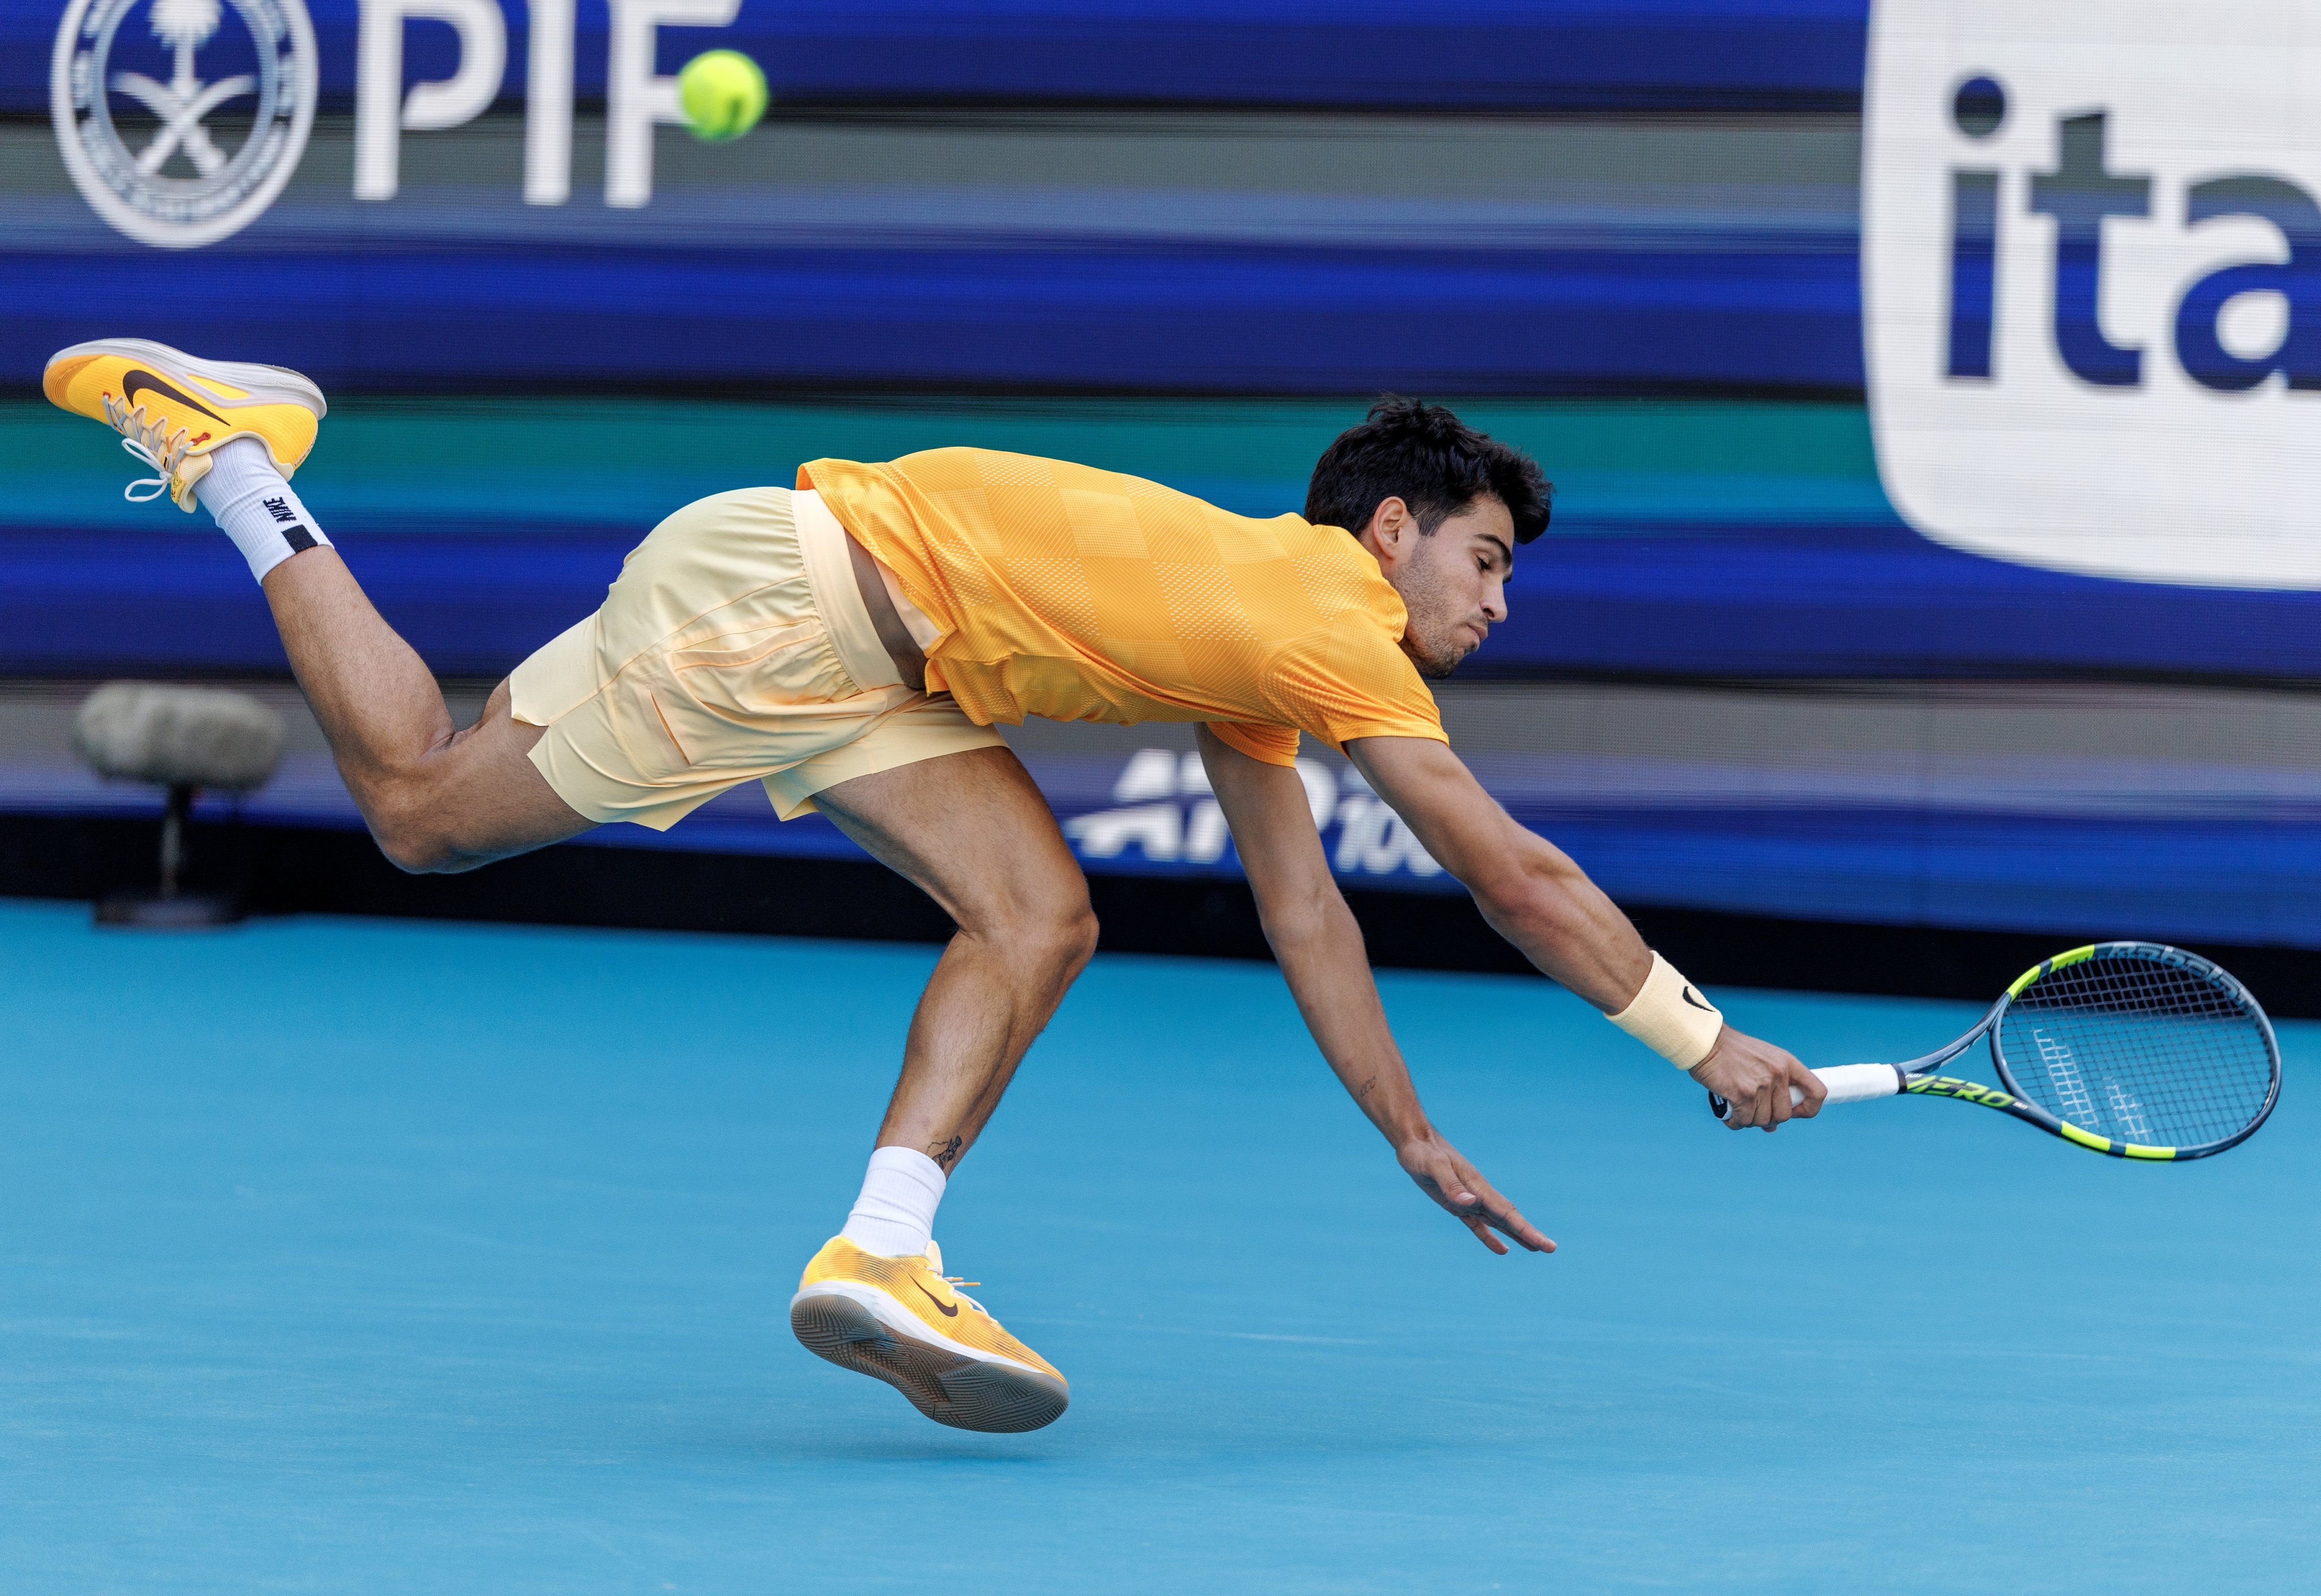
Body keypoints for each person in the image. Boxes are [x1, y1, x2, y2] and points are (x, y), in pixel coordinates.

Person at [44, 338, 1825, 1434]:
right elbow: (1510, 875)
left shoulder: (1267, 641)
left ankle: (884, 1253)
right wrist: (1702, 1038)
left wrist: (1409, 1133)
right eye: (1487, 560)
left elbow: (1308, 912)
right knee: (426, 811)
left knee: (1036, 914)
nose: (1496, 604)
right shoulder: (1335, 624)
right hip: (792, 612)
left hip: (842, 640)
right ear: (1390, 533)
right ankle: (236, 459)